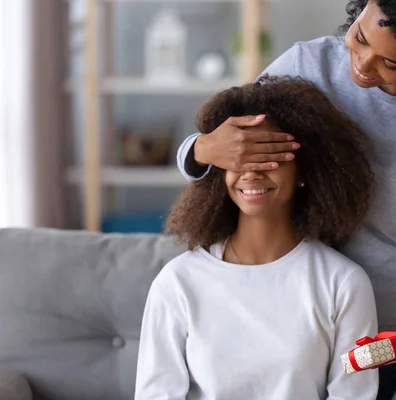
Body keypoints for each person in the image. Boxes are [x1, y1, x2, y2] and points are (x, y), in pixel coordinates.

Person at [174, 1, 396, 399]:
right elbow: (233, 167)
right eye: (359, 37)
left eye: (390, 63)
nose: (362, 64)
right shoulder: (309, 64)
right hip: (331, 330)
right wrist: (202, 148)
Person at [134, 76, 380, 400]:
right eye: (240, 158)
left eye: (270, 155)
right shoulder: (178, 283)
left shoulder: (342, 283)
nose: (252, 172)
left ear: (304, 172)